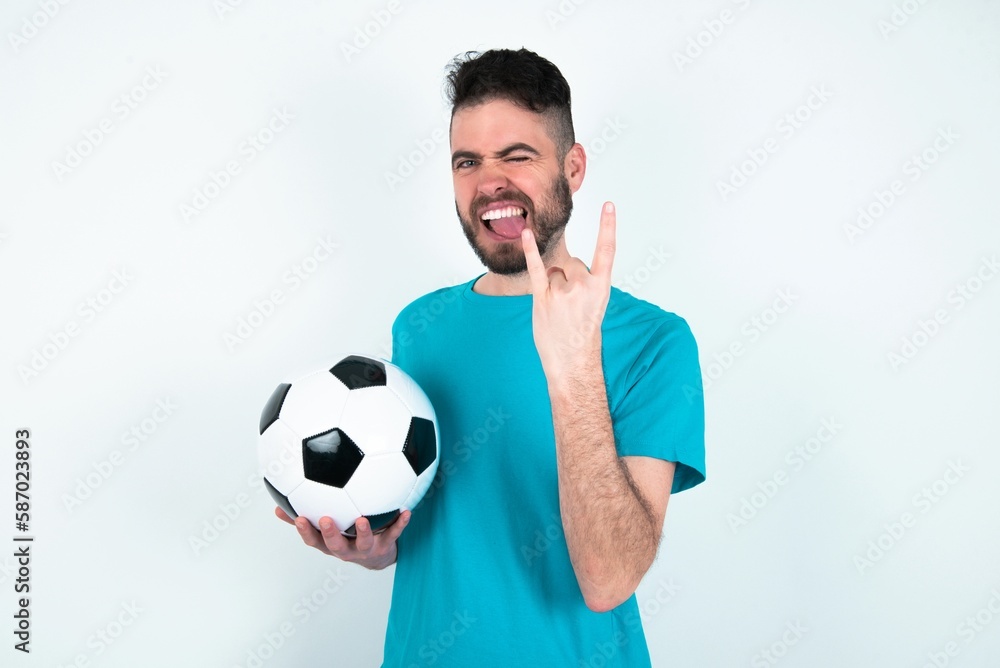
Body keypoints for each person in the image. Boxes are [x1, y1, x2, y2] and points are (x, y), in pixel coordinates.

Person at [276, 47, 706, 666]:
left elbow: (610, 579)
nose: (489, 183)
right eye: (467, 161)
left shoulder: (654, 341)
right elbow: (447, 524)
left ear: (574, 166)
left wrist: (575, 367)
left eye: (517, 156)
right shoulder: (419, 327)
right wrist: (377, 546)